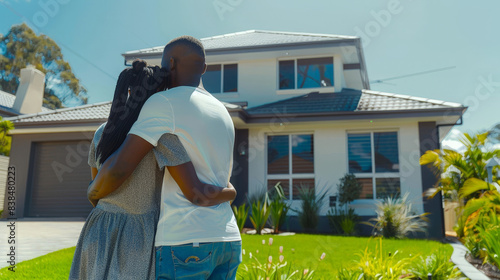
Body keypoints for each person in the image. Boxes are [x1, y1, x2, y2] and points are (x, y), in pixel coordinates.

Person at [87, 35, 242, 279]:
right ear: (204, 68)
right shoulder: (222, 112)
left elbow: (117, 169)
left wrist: (92, 193)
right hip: (228, 239)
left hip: (187, 241)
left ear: (170, 63)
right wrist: (232, 192)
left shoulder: (163, 103)